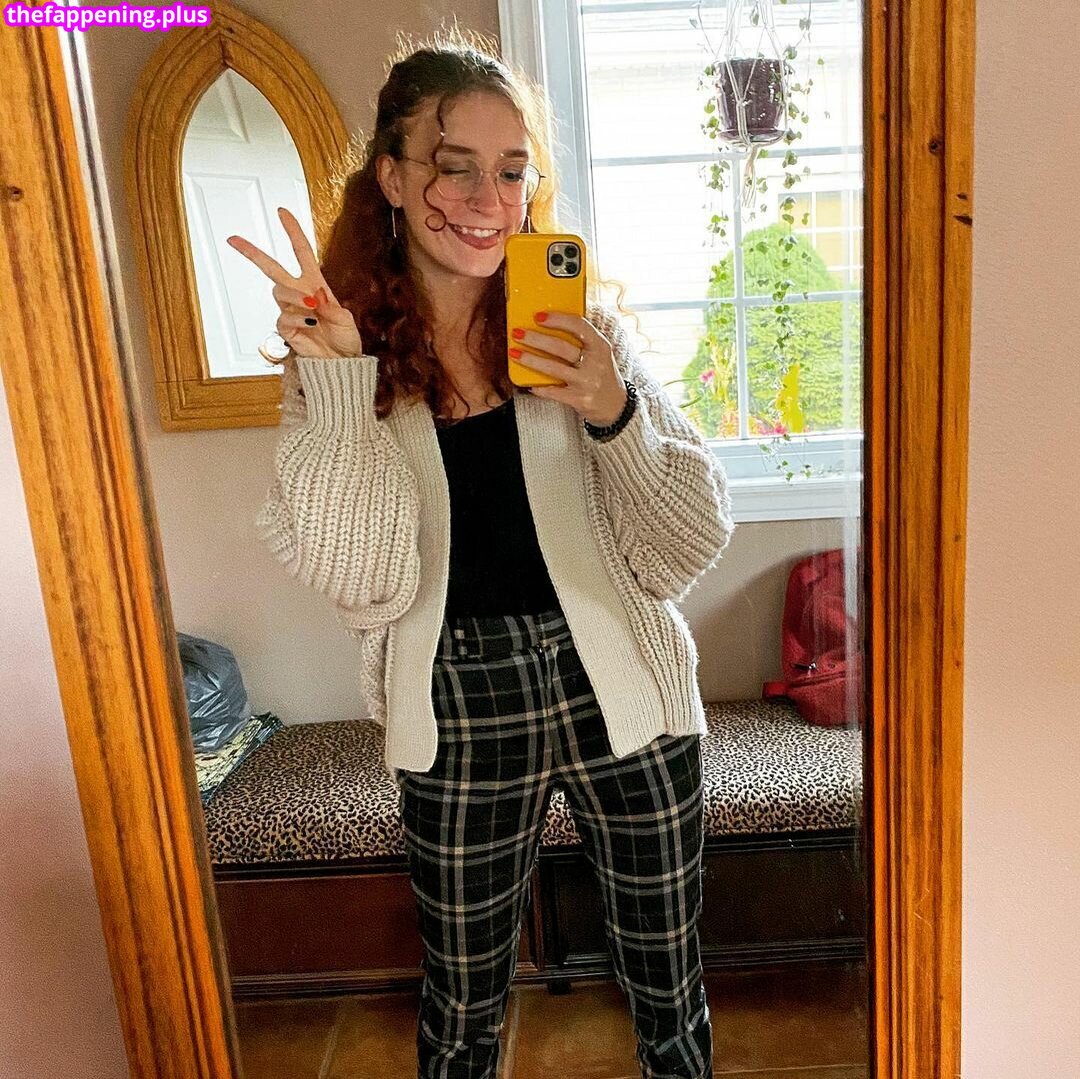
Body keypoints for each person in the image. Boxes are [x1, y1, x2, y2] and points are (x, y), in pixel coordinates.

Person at [228, 28, 734, 1079]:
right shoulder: (343, 357)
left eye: (511, 170)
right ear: (392, 178)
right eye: (453, 165)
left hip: (620, 676)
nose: (486, 199)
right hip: (456, 701)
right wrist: (340, 384)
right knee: (461, 1009)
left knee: (669, 987)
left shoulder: (583, 332)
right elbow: (362, 579)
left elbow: (689, 541)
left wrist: (614, 412)